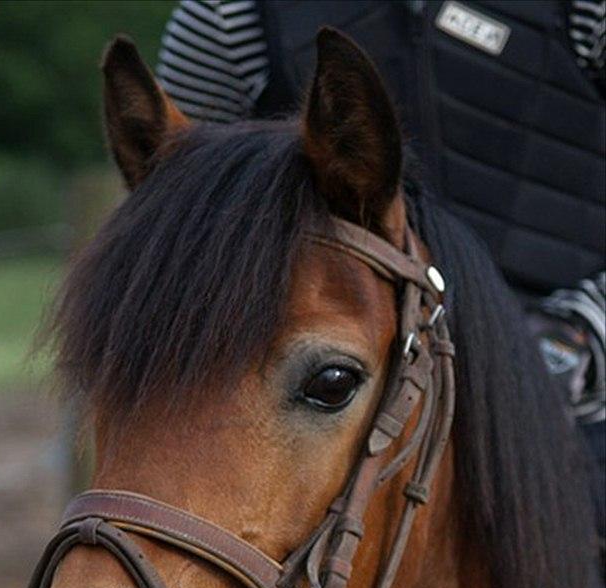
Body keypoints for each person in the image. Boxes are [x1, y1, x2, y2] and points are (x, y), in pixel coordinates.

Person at [157, 0, 605, 463]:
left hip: (574, 416)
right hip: (321, 413)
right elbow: (186, 236)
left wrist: (575, 345)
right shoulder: (232, 15)